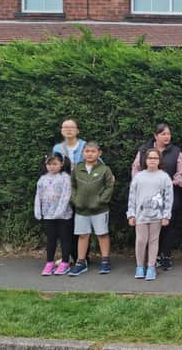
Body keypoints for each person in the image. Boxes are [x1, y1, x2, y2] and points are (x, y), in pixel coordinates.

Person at [131, 123, 182, 271]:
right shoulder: (144, 150)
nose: (167, 137)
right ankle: (148, 261)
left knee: (168, 226)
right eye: (163, 134)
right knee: (147, 231)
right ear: (156, 136)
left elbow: (181, 173)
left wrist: (170, 183)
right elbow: (135, 169)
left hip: (169, 195)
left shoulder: (176, 152)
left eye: (168, 134)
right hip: (147, 197)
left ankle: (165, 256)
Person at [68, 141, 115, 276]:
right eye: (87, 151)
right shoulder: (78, 168)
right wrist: (75, 200)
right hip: (81, 210)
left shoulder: (104, 169)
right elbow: (72, 186)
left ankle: (105, 261)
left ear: (99, 153)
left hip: (100, 210)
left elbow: (109, 187)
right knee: (83, 236)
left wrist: (100, 201)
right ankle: (81, 262)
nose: (89, 154)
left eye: (93, 151)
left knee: (102, 234)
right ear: (83, 153)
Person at [127, 148, 173, 281]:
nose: (152, 161)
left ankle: (151, 266)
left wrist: (166, 215)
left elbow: (168, 198)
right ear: (145, 160)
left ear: (159, 160)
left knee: (153, 241)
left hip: (157, 216)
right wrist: (131, 214)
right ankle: (140, 266)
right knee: (141, 240)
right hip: (140, 215)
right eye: (150, 158)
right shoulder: (139, 177)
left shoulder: (164, 177)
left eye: (155, 158)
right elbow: (132, 196)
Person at [52, 118, 87, 263]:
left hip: (82, 189)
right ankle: (67, 256)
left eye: (72, 127)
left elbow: (98, 163)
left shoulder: (85, 145)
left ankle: (82, 257)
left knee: (81, 224)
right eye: (65, 127)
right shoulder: (58, 148)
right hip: (63, 191)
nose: (68, 130)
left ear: (77, 130)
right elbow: (54, 168)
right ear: (61, 130)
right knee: (66, 224)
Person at [34, 152, 73, 276]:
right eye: (49, 164)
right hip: (48, 216)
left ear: (61, 164)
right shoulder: (43, 179)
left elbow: (66, 196)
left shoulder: (65, 178)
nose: (52, 166)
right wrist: (38, 211)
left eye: (55, 164)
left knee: (64, 239)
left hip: (63, 216)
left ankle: (65, 262)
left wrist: (59, 212)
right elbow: (38, 196)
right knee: (51, 240)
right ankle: (49, 262)